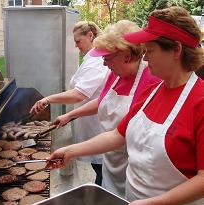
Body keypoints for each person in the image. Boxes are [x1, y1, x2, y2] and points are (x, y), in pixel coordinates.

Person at [47, 6, 204, 205]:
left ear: (176, 50)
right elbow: (117, 135)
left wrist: (153, 202)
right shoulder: (152, 92)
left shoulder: (200, 102)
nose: (145, 58)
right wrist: (70, 151)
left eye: (150, 51)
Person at [53, 20, 160, 197]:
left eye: (107, 58)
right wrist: (70, 115)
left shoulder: (153, 79)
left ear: (126, 56)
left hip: (135, 167)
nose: (104, 64)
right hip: (109, 159)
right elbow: (102, 101)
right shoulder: (114, 75)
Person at [30, 21, 109, 186]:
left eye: (78, 41)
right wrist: (69, 116)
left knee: (102, 171)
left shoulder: (96, 62)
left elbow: (79, 94)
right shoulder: (90, 59)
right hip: (88, 123)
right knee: (98, 169)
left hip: (97, 127)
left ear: (90, 35)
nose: (75, 45)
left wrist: (48, 99)